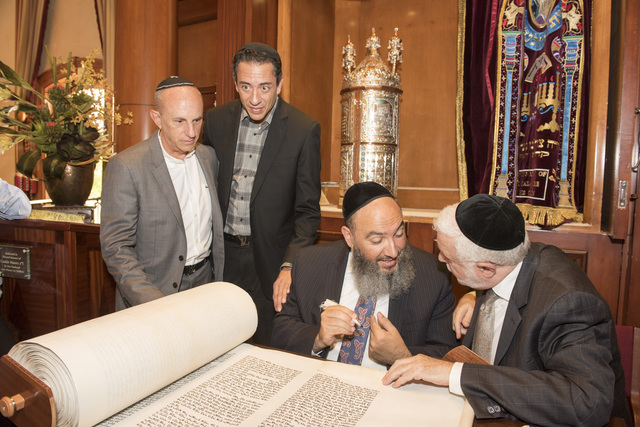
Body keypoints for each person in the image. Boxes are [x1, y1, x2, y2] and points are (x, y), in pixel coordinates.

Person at [382, 194, 631, 426]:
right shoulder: (503, 260)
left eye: (448, 258)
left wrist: (456, 373)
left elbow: (588, 403)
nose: (440, 260)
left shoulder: (568, 303)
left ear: (486, 268)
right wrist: (474, 294)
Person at [202, 42, 321, 345]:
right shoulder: (215, 121)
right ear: (235, 84)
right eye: (246, 86)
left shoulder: (303, 130)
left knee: (266, 348)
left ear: (279, 85)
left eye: (264, 87)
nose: (254, 99)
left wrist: (289, 265)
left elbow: (307, 213)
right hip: (222, 258)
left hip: (271, 264)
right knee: (217, 343)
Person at [271, 182, 457, 369]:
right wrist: (318, 338)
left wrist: (402, 356)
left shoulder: (433, 274)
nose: (393, 251)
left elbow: (447, 353)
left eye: (399, 234)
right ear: (349, 237)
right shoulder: (310, 262)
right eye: (377, 240)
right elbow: (280, 332)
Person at [101, 77, 225, 310]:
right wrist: (154, 303)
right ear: (157, 118)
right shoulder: (127, 166)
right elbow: (116, 248)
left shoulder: (208, 157)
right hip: (153, 295)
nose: (191, 132)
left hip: (205, 288)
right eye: (179, 121)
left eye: (197, 120)